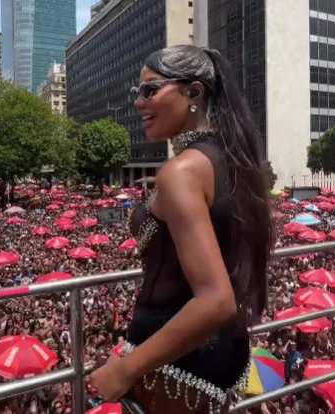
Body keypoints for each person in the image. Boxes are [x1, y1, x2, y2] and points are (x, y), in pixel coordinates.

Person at [90, 44, 273, 413]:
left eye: (150, 90)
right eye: (136, 93)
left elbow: (215, 300)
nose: (139, 103)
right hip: (220, 354)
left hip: (173, 367)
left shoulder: (181, 172)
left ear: (193, 92)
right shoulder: (231, 160)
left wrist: (126, 369)